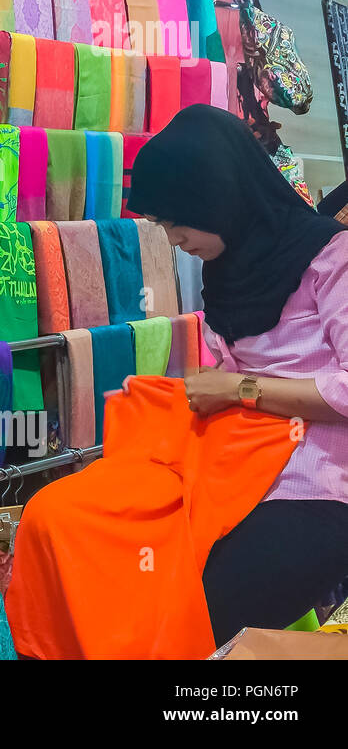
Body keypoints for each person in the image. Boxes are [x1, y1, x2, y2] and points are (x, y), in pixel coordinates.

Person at [127, 105, 348, 643]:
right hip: (231, 473)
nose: (173, 238)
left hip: (314, 484)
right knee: (113, 555)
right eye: (162, 225)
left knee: (202, 608)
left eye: (178, 219)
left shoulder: (330, 257)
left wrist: (240, 389)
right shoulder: (225, 273)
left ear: (219, 196)